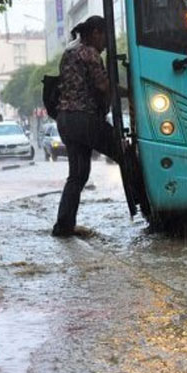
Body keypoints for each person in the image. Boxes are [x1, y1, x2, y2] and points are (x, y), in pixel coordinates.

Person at [51, 15, 121, 237]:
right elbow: (103, 86)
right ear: (96, 33)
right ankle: (154, 209)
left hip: (65, 120)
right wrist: (131, 92)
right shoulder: (89, 52)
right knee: (126, 154)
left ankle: (63, 227)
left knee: (78, 174)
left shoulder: (70, 51)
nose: (106, 44)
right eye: (106, 38)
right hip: (84, 119)